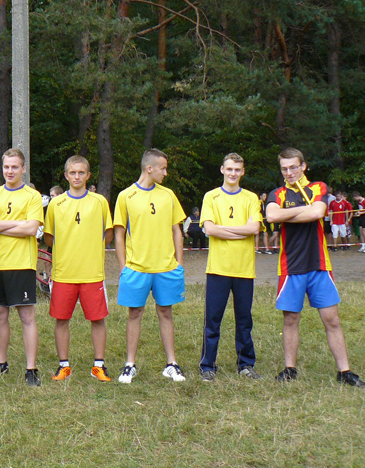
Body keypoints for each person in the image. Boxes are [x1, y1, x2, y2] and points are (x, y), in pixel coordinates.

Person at [266, 148, 365, 386]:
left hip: (319, 264)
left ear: (303, 166)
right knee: (290, 319)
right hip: (290, 266)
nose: (289, 172)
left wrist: (288, 214)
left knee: (332, 319)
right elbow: (272, 217)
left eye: (293, 167)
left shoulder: (318, 187)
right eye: (284, 168)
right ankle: (290, 369)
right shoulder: (277, 193)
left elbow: (318, 211)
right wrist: (305, 210)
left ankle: (344, 372)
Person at [114, 149, 186, 383]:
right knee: (134, 313)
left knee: (166, 312)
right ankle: (130, 364)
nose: (166, 173)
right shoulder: (126, 196)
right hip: (137, 268)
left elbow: (177, 230)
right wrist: (124, 267)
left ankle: (171, 364)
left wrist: (179, 264)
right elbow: (119, 234)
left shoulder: (168, 195)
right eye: (163, 168)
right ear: (149, 168)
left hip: (166, 268)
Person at [43, 155, 113, 383]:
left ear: (88, 175)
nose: (77, 177)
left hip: (92, 272)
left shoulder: (99, 201)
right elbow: (49, 238)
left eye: (81, 172)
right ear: (66, 175)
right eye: (72, 172)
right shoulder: (56, 204)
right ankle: (64, 365)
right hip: (64, 273)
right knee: (61, 319)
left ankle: (99, 365)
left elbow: (108, 234)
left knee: (98, 319)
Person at [0, 149, 43, 386]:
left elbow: (31, 229)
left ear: (23, 169)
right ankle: (0, 364)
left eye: (15, 167)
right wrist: (17, 224)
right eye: (6, 167)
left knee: (26, 315)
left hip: (22, 264)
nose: (10, 171)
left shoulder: (32, 196)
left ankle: (31, 369)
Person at [198, 153, 262, 381]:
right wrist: (239, 232)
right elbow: (210, 229)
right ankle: (207, 366)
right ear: (222, 170)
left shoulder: (251, 198)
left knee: (244, 320)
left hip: (244, 268)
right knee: (212, 320)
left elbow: (254, 228)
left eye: (237, 169)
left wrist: (223, 229)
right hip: (218, 268)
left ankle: (245, 364)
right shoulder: (211, 196)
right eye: (229, 169)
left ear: (242, 172)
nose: (233, 173)